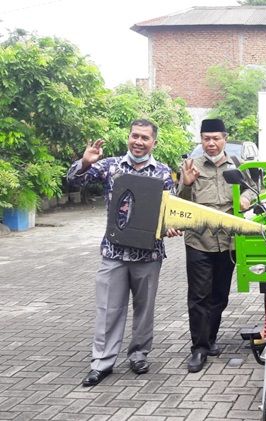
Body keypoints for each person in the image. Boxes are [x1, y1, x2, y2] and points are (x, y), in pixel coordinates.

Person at [67, 119, 177, 387]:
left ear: (154, 142)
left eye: (145, 138)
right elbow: (73, 181)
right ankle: (102, 362)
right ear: (128, 137)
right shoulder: (109, 166)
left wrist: (170, 226)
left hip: (148, 255)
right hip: (113, 253)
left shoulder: (163, 173)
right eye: (135, 136)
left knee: (144, 308)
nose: (139, 142)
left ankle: (139, 355)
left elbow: (169, 210)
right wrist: (85, 162)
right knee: (108, 309)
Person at [177, 118, 257, 373]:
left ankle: (210, 339)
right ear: (201, 140)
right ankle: (199, 348)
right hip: (199, 239)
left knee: (219, 295)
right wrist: (186, 184)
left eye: (216, 138)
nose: (211, 143)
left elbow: (254, 189)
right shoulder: (191, 165)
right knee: (199, 296)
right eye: (206, 139)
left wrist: (245, 199)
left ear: (225, 138)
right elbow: (181, 202)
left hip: (228, 241)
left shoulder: (237, 165)